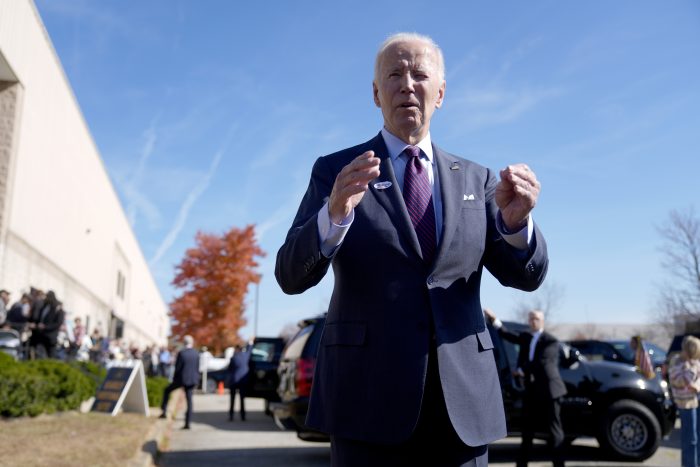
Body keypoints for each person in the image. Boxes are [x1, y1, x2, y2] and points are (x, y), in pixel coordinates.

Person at [276, 32, 548, 466]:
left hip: (462, 408)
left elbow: (526, 277)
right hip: (366, 402)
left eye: (420, 75)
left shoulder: (478, 180)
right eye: (394, 74)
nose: (407, 84)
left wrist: (516, 227)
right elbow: (290, 275)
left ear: (440, 93)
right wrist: (333, 215)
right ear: (375, 93)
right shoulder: (337, 172)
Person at [484, 309, 565, 467]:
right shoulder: (526, 337)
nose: (533, 321)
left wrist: (521, 370)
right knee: (527, 430)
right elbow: (508, 335)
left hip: (550, 391)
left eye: (536, 318)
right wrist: (494, 320)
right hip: (532, 390)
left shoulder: (550, 340)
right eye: (531, 319)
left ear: (542, 321)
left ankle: (559, 464)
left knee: (554, 430)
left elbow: (542, 362)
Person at [669, 335, 700, 467]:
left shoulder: (695, 362)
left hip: (696, 401)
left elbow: (697, 381)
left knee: (697, 438)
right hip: (685, 404)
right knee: (690, 439)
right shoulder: (676, 361)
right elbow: (679, 381)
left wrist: (696, 386)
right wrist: (690, 369)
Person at [160, 335, 200, 429]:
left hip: (182, 379)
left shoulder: (182, 353)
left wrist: (174, 380)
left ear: (184, 343)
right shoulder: (196, 353)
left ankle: (164, 411)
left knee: (167, 390)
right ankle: (188, 422)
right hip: (192, 380)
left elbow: (177, 368)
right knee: (189, 400)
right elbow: (197, 368)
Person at [28, 290, 65, 359]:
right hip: (41, 335)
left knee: (51, 355)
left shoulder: (57, 309)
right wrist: (36, 325)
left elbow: (58, 323)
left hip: (50, 337)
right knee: (39, 354)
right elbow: (39, 318)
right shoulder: (44, 307)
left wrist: (46, 327)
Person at [227, 343, 252, 421]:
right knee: (242, 399)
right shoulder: (245, 356)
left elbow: (229, 369)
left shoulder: (233, 357)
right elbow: (249, 349)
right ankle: (243, 416)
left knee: (232, 399)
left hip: (234, 380)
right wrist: (250, 343)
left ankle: (231, 416)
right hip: (243, 381)